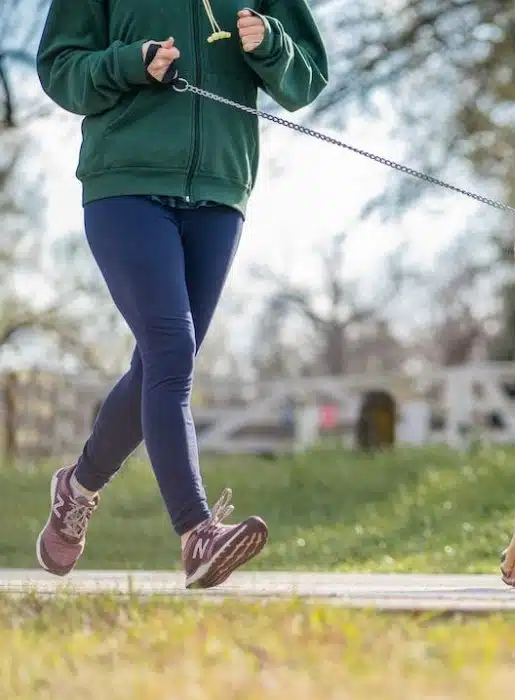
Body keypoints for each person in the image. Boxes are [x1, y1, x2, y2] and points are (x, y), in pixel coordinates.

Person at [34, 0, 329, 589]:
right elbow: (59, 68)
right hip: (126, 187)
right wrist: (127, 64)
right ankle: (197, 533)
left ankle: (77, 487)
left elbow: (305, 81)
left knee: (160, 363)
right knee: (172, 351)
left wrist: (269, 41)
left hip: (220, 194)